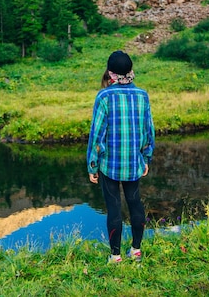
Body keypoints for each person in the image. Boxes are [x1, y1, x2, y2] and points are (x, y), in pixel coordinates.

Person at [86, 50, 156, 263]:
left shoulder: (104, 96)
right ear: (130, 71)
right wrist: (146, 157)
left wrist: (92, 165)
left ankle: (115, 256)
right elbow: (148, 131)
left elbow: (97, 135)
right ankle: (136, 250)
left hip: (109, 166)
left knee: (114, 208)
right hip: (133, 164)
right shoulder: (142, 95)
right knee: (135, 204)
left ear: (110, 73)